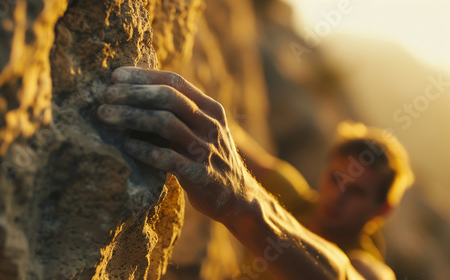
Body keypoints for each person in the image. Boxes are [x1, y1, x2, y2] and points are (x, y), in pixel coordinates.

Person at [96, 66, 414, 280]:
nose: (338, 196)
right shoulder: (293, 197)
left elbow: (341, 273)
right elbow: (230, 144)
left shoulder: (367, 264)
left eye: (357, 192)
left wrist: (244, 204)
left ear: (383, 209)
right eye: (336, 179)